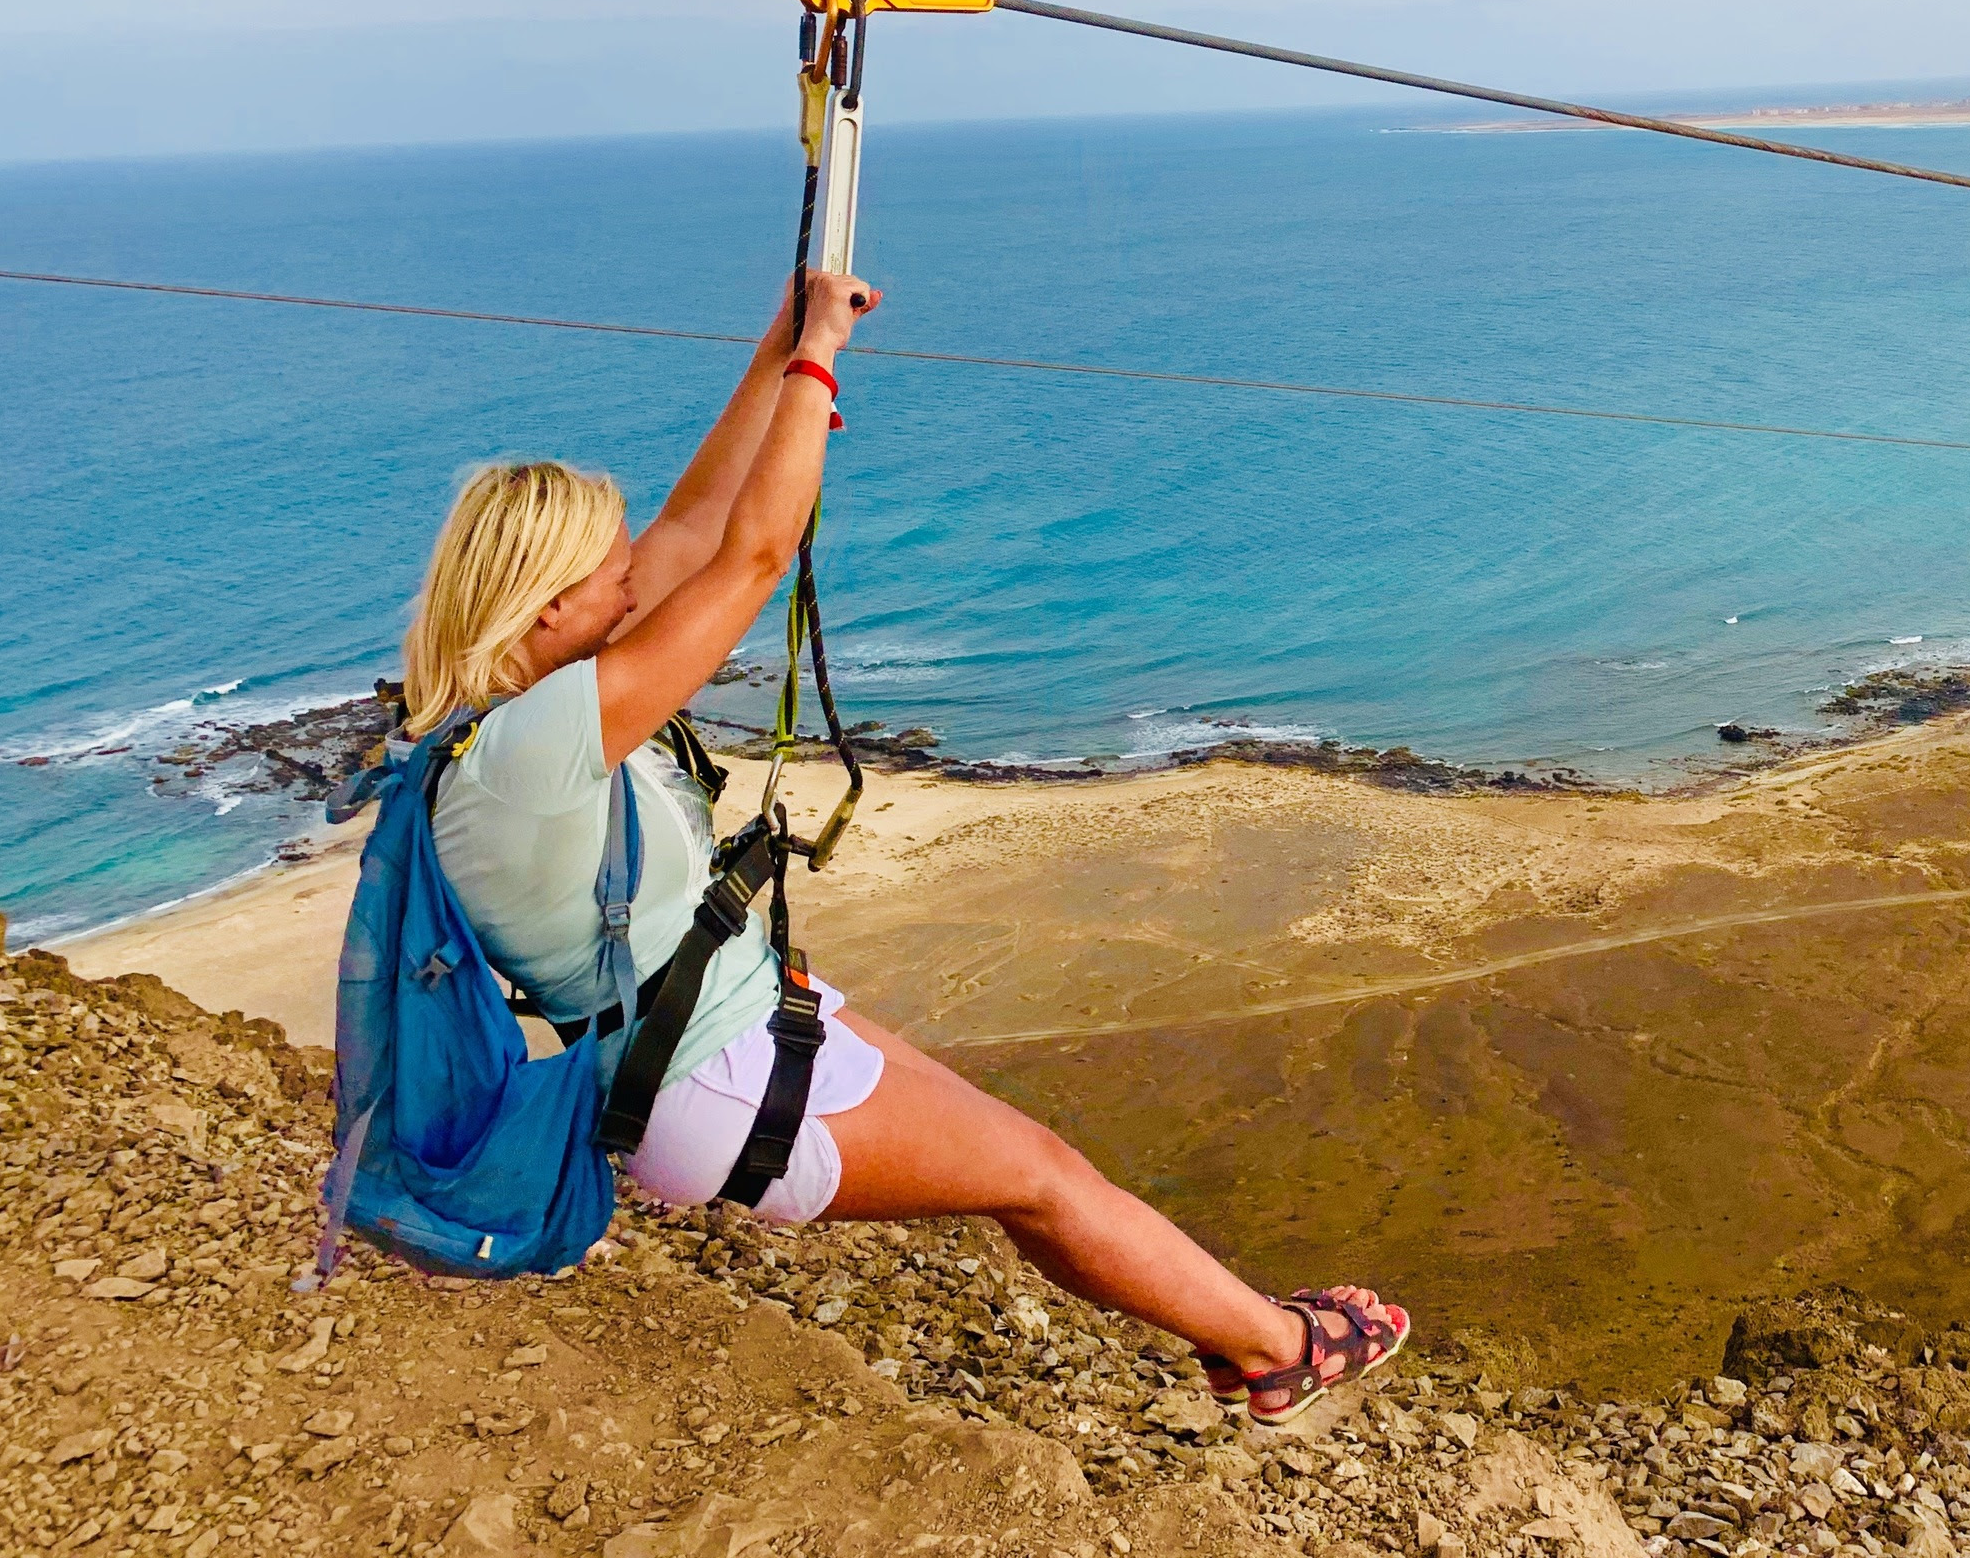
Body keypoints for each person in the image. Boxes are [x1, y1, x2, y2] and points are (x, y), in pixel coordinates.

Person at [394, 268, 1403, 1425]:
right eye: (610, 579)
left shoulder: (492, 723)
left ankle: (1248, 1341)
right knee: (1044, 1182)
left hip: (724, 1020)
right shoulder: (538, 746)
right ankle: (1283, 1353)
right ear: (545, 610)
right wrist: (818, 367)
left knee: (1036, 1170)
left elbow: (689, 531)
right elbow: (752, 557)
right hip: (713, 1074)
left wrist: (783, 345)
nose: (636, 587)